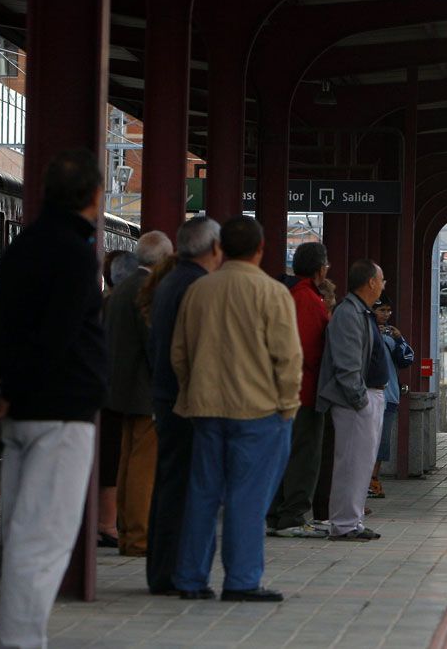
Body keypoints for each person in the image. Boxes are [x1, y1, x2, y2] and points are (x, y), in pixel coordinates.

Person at [0, 148, 107, 648]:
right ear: (94, 196)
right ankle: (22, 640)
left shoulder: (23, 246)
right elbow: (59, 336)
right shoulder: (74, 255)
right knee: (44, 539)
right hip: (61, 413)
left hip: (24, 413)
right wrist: (17, 388)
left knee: (21, 531)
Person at [170, 215, 302, 602]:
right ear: (261, 249)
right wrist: (287, 405)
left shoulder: (199, 290)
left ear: (220, 248)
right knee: (248, 498)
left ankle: (191, 579)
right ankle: (242, 580)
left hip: (206, 409)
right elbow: (288, 357)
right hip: (260, 411)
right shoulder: (272, 293)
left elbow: (179, 353)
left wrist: (191, 392)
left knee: (202, 495)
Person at [144, 216, 223, 595]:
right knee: (188, 487)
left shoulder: (170, 281)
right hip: (187, 401)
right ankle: (175, 571)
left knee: (170, 484)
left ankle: (162, 569)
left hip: (167, 395)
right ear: (214, 248)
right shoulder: (196, 286)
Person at [104, 231, 173, 557]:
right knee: (144, 467)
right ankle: (139, 537)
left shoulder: (121, 289)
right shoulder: (149, 290)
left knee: (127, 463)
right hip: (146, 393)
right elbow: (153, 344)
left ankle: (128, 531)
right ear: (162, 260)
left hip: (121, 391)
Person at [317, 259, 388, 542]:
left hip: (369, 396)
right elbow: (346, 363)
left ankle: (352, 519)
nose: (383, 285)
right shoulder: (349, 313)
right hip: (356, 401)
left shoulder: (362, 311)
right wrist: (360, 400)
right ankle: (344, 523)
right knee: (351, 462)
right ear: (371, 282)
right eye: (381, 280)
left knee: (362, 462)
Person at [266, 242, 332, 538]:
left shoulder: (291, 294)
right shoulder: (307, 298)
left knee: (285, 453)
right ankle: (293, 515)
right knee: (304, 455)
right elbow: (306, 349)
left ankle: (277, 513)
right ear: (321, 269)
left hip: (287, 389)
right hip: (304, 390)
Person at [98, 250, 137, 548]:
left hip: (103, 391)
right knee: (116, 457)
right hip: (120, 393)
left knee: (111, 457)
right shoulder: (126, 303)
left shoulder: (103, 304)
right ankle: (108, 523)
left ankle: (107, 521)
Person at [369, 298, 414, 499]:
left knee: (382, 441)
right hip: (368, 395)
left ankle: (373, 478)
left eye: (388, 310)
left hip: (389, 396)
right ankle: (367, 480)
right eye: (381, 310)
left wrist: (399, 339)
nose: (386, 314)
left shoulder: (391, 335)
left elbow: (407, 360)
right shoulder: (365, 330)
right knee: (368, 441)